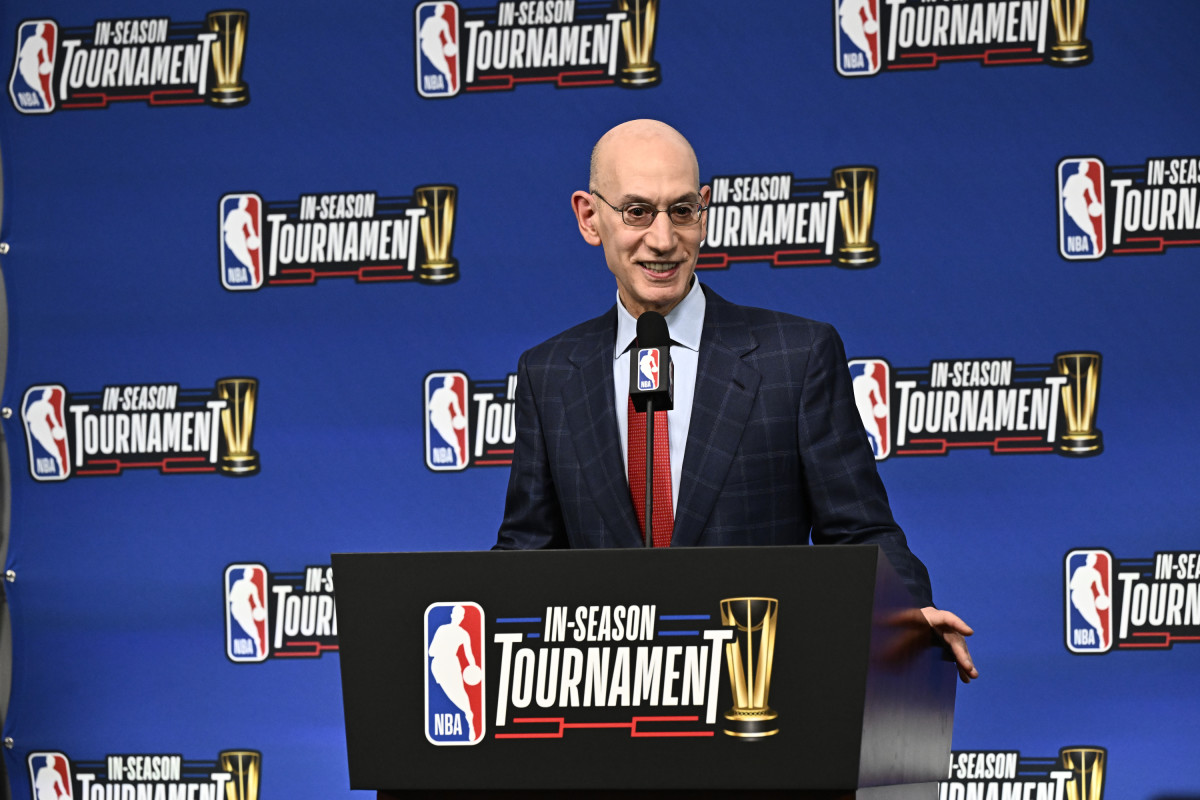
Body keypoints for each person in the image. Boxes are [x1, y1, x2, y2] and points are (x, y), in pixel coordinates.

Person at [493, 119, 977, 682]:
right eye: (637, 212)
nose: (663, 240)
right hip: (610, 703)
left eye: (682, 211)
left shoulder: (794, 357)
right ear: (588, 217)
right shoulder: (549, 373)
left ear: (704, 211)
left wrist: (907, 613)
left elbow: (860, 532)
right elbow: (527, 554)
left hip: (757, 689)